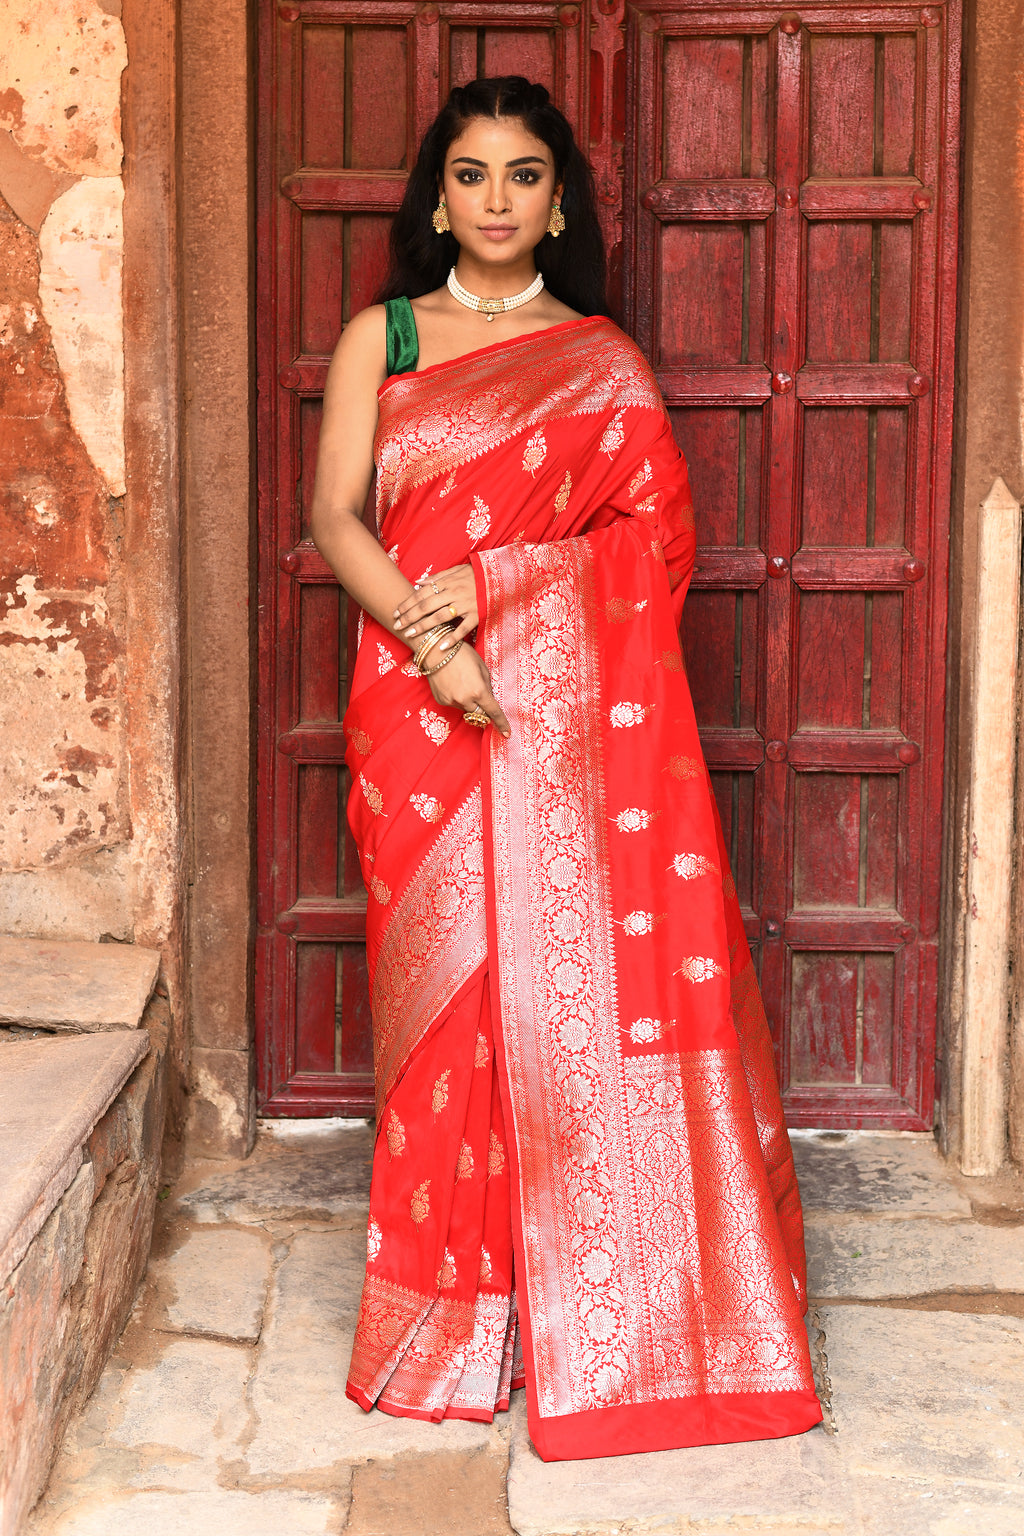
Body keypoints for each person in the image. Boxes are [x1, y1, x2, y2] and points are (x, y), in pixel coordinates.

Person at [309, 76, 822, 1463]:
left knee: (558, 990)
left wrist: (501, 591)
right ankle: (441, 1330)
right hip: (416, 709)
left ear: (560, 200)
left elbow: (652, 549)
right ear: (436, 197)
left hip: (554, 717)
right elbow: (334, 519)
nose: (493, 200)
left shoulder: (597, 359)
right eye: (470, 175)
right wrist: (438, 640)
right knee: (446, 1006)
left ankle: (594, 1311)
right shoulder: (387, 336)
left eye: (522, 175)